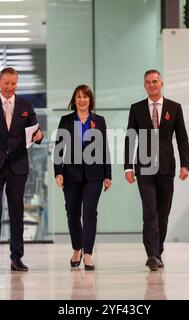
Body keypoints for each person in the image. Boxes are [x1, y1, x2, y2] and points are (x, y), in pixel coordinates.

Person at [0, 67, 43, 273]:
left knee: (16, 212)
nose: (10, 87)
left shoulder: (25, 105)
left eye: (13, 83)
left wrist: (38, 135)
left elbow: (35, 130)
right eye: (6, 83)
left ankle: (16, 258)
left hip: (17, 166)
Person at [124, 69, 189, 271]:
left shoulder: (174, 107)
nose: (151, 85)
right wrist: (128, 167)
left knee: (163, 212)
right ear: (144, 85)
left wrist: (185, 165)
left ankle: (158, 250)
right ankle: (151, 254)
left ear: (161, 84)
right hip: (144, 167)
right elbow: (130, 138)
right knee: (149, 211)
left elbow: (182, 138)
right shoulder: (136, 109)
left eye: (155, 81)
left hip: (166, 168)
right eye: (148, 82)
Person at [54, 84, 112, 271]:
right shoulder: (66, 120)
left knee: (90, 213)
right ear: (74, 100)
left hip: (94, 175)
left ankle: (88, 254)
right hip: (71, 174)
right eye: (78, 97)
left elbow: (104, 149)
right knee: (72, 214)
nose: (82, 100)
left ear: (90, 100)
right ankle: (76, 249)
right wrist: (58, 172)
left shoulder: (99, 121)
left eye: (85, 96)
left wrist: (107, 175)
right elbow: (58, 149)